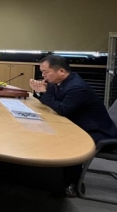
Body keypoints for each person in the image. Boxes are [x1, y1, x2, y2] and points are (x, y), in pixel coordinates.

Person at [30, 54, 117, 196]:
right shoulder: (57, 82)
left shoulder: (77, 87)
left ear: (61, 71)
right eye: (42, 72)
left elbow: (62, 109)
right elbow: (52, 103)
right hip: (78, 124)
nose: (43, 76)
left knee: (67, 141)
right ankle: (49, 175)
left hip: (99, 133)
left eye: (46, 72)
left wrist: (43, 93)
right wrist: (41, 93)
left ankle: (72, 184)